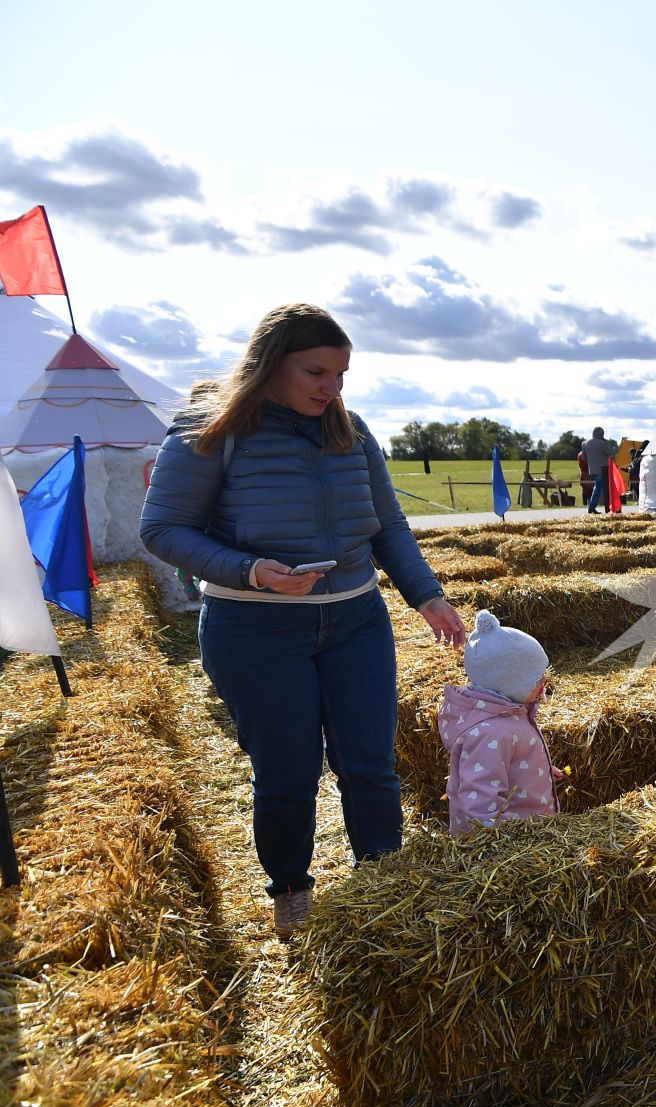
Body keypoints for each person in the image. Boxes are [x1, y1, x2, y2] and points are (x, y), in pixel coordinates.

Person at [139, 302, 466, 939]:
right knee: (288, 773)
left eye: (341, 375)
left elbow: (387, 524)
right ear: (270, 364)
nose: (331, 388)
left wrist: (425, 596)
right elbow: (162, 529)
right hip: (256, 628)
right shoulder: (212, 429)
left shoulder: (350, 429)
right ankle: (291, 890)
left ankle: (384, 881)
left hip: (354, 620)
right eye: (316, 372)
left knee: (370, 762)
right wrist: (253, 570)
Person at [439, 610, 558, 836]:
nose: (545, 681)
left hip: (530, 836)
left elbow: (506, 765)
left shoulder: (507, 714)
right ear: (511, 684)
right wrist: (497, 845)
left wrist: (540, 771)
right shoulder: (491, 732)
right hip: (513, 844)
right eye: (537, 677)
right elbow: (480, 800)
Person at [582, 426, 616, 514]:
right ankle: (592, 507)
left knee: (597, 488)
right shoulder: (603, 444)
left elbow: (583, 458)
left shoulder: (585, 443)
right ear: (601, 434)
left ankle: (593, 507)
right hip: (603, 470)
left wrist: (591, 463)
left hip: (592, 469)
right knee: (599, 489)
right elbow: (612, 455)